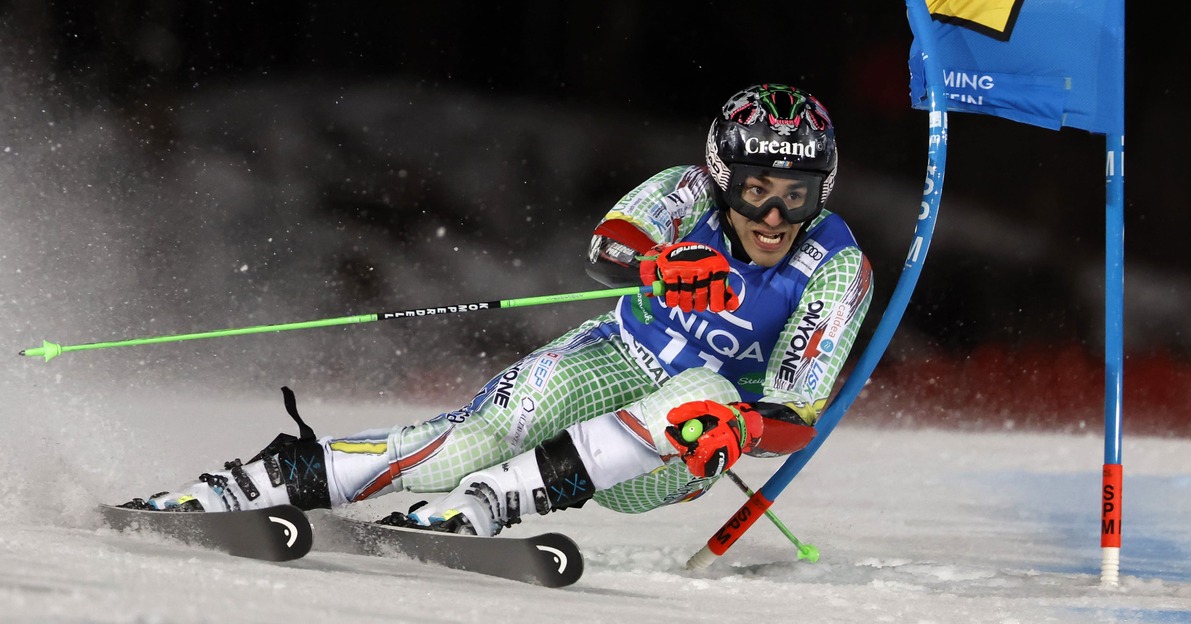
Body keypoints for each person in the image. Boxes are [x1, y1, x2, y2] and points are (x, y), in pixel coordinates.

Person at [125, 83, 874, 537]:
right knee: (474, 435)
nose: (775, 215)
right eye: (756, 190)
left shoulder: (836, 269)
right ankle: (247, 487)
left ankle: (489, 505)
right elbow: (610, 244)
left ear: (823, 193)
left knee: (705, 396)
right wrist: (658, 264)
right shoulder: (686, 190)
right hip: (611, 361)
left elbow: (796, 414)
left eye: (797, 195)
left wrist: (742, 426)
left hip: (666, 457)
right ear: (723, 177)